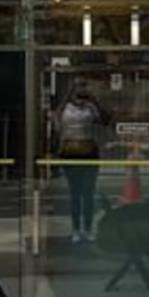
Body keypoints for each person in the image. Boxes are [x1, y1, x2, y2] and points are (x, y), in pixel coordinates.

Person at [50, 84, 109, 243]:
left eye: (83, 95)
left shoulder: (90, 108)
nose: (80, 99)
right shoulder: (64, 109)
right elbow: (56, 122)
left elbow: (105, 120)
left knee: (88, 193)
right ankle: (76, 229)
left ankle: (88, 229)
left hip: (88, 150)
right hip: (70, 151)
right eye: (77, 95)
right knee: (75, 193)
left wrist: (94, 100)